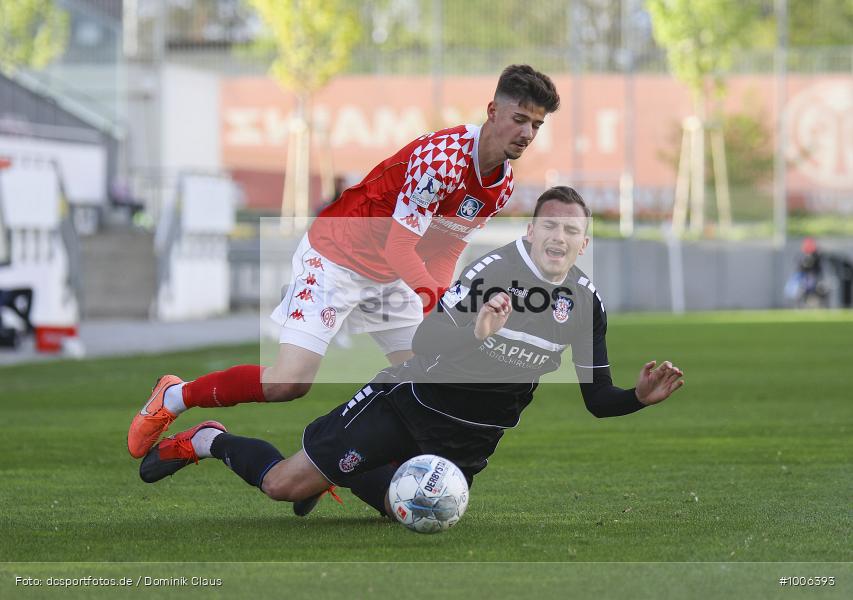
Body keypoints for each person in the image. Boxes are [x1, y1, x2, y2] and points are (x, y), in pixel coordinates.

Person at [138, 187, 685, 519]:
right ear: (532, 230)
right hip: (405, 405)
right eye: (548, 226)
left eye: (571, 230)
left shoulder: (586, 305)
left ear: (585, 241)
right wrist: (474, 330)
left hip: (469, 443)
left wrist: (637, 398)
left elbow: (597, 400)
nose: (558, 238)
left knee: (412, 514)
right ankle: (209, 439)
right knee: (282, 485)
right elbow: (423, 343)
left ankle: (341, 471)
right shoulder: (492, 274)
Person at [127, 64, 561, 460]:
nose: (526, 133)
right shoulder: (442, 158)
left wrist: (439, 311)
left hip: (392, 276)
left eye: (536, 125)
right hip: (337, 257)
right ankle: (176, 397)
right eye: (519, 119)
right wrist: (439, 304)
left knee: (421, 378)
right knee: (289, 383)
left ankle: (343, 467)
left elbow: (444, 248)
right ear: (492, 110)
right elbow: (399, 247)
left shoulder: (500, 184)